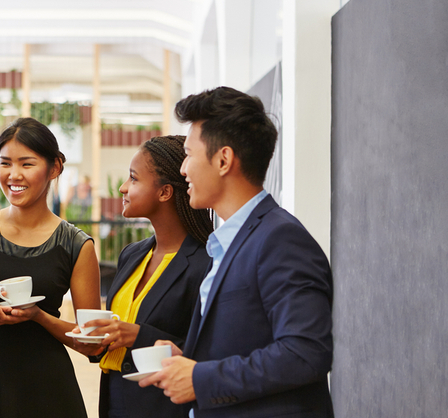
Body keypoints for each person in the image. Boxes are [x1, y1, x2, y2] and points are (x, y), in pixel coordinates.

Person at [140, 87, 334, 418]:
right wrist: (188, 357)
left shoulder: (280, 239)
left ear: (223, 159)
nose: (183, 169)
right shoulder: (232, 240)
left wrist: (200, 378)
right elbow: (247, 340)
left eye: (189, 154)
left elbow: (305, 353)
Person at [0, 117, 101, 418]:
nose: (14, 175)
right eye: (5, 163)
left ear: (54, 168)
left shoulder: (76, 245)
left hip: (48, 392)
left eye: (27, 164)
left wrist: (39, 317)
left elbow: (90, 343)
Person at [76, 135, 214, 418]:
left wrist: (139, 336)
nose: (122, 187)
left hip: (167, 408)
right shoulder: (132, 255)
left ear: (164, 192)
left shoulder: (206, 262)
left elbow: (213, 349)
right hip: (116, 402)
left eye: (134, 179)